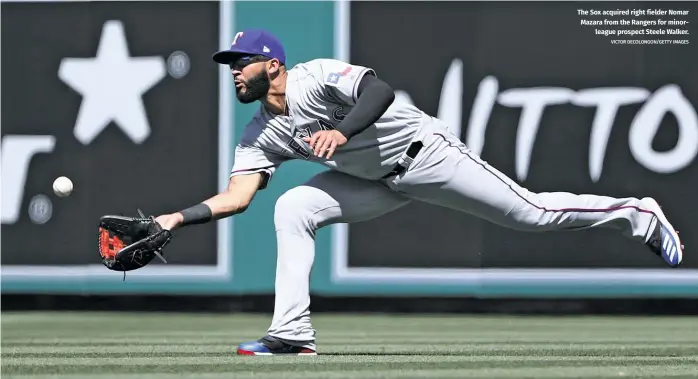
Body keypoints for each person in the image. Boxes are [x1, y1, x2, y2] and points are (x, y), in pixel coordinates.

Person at [153, 29, 684, 356]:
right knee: (293, 206)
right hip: (376, 182)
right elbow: (239, 196)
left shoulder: (314, 77)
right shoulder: (259, 132)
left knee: (533, 214)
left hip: (427, 154)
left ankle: (639, 213)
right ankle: (291, 334)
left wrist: (341, 131)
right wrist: (171, 220)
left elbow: (378, 90)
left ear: (272, 64)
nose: (233, 73)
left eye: (239, 62)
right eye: (228, 65)